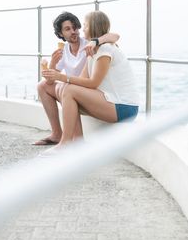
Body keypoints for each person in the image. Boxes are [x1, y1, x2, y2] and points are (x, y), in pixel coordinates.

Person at [42, 10, 139, 149]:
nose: (81, 29)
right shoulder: (91, 50)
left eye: (85, 25)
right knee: (67, 89)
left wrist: (61, 77)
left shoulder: (105, 49)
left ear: (93, 27)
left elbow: (94, 83)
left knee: (68, 90)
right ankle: (77, 142)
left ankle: (65, 143)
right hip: (111, 102)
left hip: (124, 107)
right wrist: (56, 73)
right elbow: (81, 80)